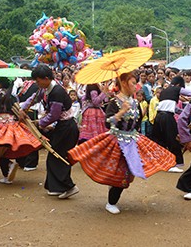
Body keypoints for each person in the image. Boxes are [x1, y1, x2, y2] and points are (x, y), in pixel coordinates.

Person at [67, 72, 175, 214]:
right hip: (117, 142)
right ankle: (111, 202)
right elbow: (107, 122)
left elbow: (136, 123)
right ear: (123, 84)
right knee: (120, 174)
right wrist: (120, 113)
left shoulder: (136, 102)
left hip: (132, 140)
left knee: (128, 173)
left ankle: (113, 195)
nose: (135, 86)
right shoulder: (115, 102)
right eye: (132, 83)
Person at [20, 65, 80, 198]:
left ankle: (69, 186)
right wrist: (23, 108)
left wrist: (40, 123)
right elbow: (34, 98)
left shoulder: (56, 92)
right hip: (61, 127)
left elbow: (54, 114)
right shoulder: (45, 89)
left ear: (46, 79)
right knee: (54, 157)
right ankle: (56, 187)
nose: (37, 83)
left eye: (38, 80)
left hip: (67, 128)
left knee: (58, 157)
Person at [151, 76, 191, 172]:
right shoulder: (176, 88)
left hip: (158, 117)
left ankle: (159, 162)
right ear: (179, 84)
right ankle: (173, 163)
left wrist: (185, 112)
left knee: (160, 140)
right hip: (167, 117)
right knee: (173, 139)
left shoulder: (164, 91)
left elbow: (174, 108)